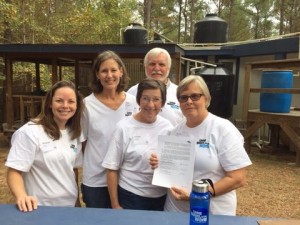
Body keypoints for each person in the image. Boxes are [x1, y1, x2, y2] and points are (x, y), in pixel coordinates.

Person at [150, 75, 252, 215]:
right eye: (183, 97)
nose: (189, 101)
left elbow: (238, 178)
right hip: (175, 212)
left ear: (207, 99)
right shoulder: (173, 133)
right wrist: (160, 164)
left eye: (195, 96)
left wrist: (197, 196)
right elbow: (170, 171)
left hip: (212, 214)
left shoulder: (223, 129)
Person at [5, 80, 84, 212]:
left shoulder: (73, 133)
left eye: (71, 101)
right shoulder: (30, 132)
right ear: (49, 104)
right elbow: (14, 171)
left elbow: (72, 170)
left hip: (68, 208)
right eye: (59, 100)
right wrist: (22, 196)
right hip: (40, 208)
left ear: (77, 105)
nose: (65, 106)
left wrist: (76, 202)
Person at [102, 78, 173, 211]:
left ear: (163, 102)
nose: (150, 105)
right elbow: (111, 169)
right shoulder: (124, 127)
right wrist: (115, 205)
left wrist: (163, 163)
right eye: (145, 98)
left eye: (156, 99)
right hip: (131, 196)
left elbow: (173, 165)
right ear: (138, 100)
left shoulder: (168, 127)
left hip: (161, 197)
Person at [81, 50, 138, 208]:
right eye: (104, 71)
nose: (109, 75)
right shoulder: (87, 105)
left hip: (126, 180)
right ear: (97, 75)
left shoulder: (134, 102)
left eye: (113, 70)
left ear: (121, 71)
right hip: (95, 181)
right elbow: (83, 142)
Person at [127, 47, 183, 126]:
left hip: (171, 138)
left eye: (161, 64)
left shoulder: (181, 93)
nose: (156, 68)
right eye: (152, 64)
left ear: (169, 68)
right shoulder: (132, 93)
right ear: (145, 66)